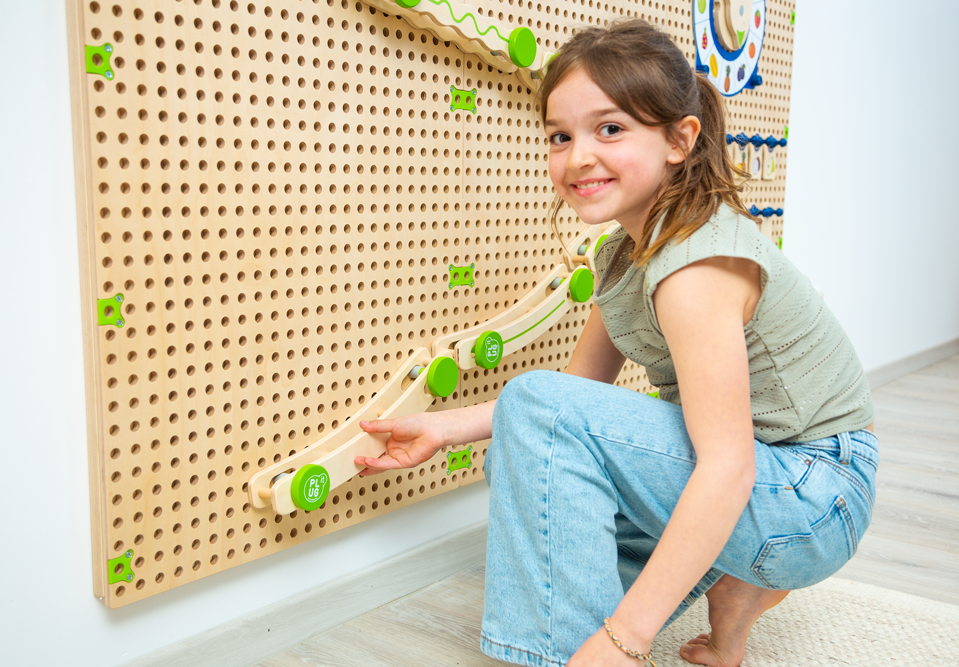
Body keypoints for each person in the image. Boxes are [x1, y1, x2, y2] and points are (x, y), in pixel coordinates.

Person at [354, 18, 877, 667]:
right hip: (772, 484)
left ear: (679, 140)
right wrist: (447, 427)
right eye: (560, 135)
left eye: (609, 129)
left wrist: (625, 638)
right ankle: (735, 580)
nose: (577, 157)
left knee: (588, 599)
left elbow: (728, 466)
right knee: (529, 450)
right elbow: (573, 400)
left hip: (813, 494)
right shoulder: (624, 255)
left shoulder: (694, 267)